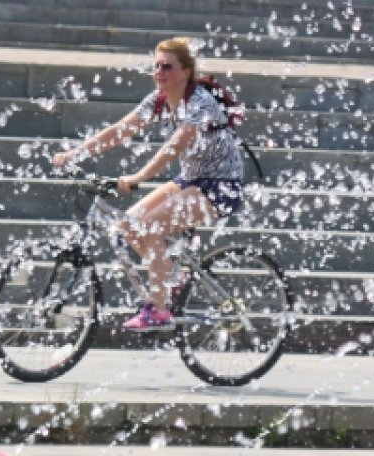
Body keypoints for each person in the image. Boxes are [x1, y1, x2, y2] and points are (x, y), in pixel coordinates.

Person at [51, 36, 245, 332]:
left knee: (152, 226)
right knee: (128, 225)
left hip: (221, 186)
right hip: (192, 179)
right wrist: (76, 153)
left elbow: (177, 145)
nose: (159, 73)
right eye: (155, 66)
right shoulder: (159, 99)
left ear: (186, 71)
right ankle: (169, 280)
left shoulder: (200, 102)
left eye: (167, 67)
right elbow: (121, 130)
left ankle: (159, 308)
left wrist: (139, 176)